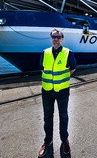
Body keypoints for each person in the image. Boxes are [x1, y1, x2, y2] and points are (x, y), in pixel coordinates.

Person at [38, 28, 76, 157]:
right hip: (47, 91)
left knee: (63, 116)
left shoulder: (68, 53)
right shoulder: (45, 53)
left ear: (62, 39)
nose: (56, 39)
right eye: (54, 37)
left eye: (58, 37)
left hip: (62, 91)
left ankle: (64, 140)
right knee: (47, 117)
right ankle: (47, 142)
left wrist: (61, 81)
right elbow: (42, 69)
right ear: (51, 38)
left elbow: (73, 68)